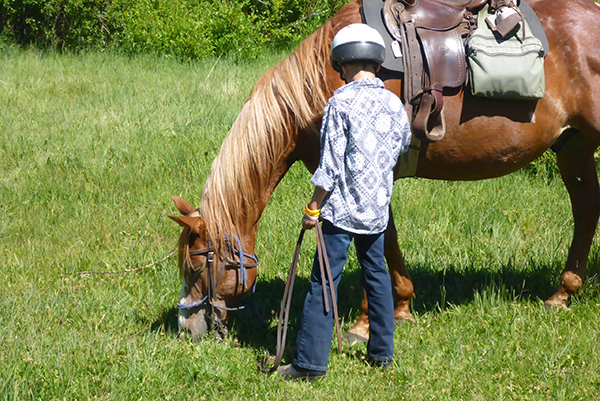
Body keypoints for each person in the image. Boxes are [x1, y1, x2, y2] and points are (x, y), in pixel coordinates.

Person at [276, 23, 413, 380]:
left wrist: (313, 207)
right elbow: (401, 147)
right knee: (378, 278)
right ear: (377, 62)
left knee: (324, 282)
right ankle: (382, 353)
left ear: (342, 63)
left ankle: (309, 364)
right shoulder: (394, 104)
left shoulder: (340, 103)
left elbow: (330, 164)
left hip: (340, 211)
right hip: (377, 211)